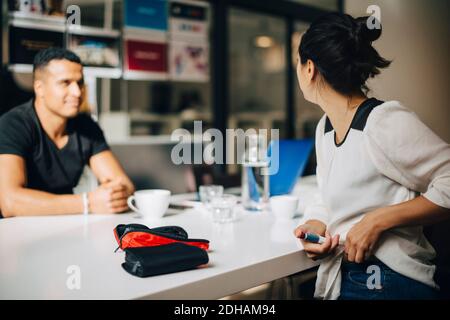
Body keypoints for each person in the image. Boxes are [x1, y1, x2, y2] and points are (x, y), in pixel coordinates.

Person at [293, 13, 450, 300]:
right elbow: (328, 195)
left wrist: (378, 220)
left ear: (310, 69)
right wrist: (315, 223)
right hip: (343, 275)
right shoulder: (325, 127)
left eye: (298, 63)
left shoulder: (382, 121)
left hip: (390, 279)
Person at [0, 47, 135, 218]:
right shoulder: (13, 124)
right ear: (39, 88)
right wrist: (88, 202)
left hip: (68, 226)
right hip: (18, 234)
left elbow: (124, 184)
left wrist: (115, 195)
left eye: (80, 83)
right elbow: (10, 202)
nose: (77, 92)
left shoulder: (86, 126)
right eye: (65, 83)